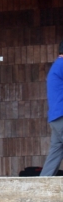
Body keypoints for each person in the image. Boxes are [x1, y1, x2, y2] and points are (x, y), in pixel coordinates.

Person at [41, 40, 63, 176]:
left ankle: (41, 184)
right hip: (62, 116)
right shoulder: (62, 65)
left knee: (56, 152)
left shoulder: (57, 66)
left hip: (56, 118)